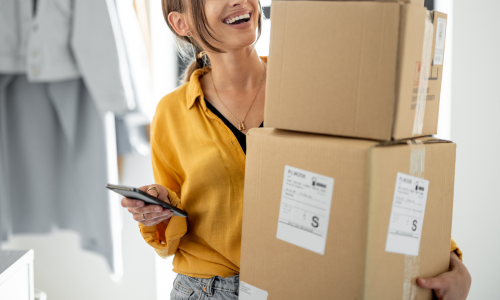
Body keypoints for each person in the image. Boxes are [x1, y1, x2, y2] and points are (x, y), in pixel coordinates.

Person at [120, 0, 471, 299]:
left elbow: (382, 169)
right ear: (181, 22)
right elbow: (171, 238)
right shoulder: (171, 112)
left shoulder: (310, 82)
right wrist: (160, 211)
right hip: (208, 289)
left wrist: (447, 256)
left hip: (303, 284)